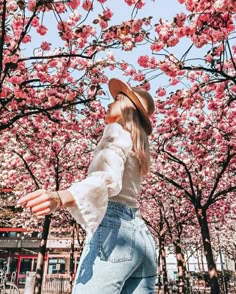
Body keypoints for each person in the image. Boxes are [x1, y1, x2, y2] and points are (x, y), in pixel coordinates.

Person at [17, 78, 157, 293]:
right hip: (142, 239)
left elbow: (106, 178)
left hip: (115, 233)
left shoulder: (116, 131)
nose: (108, 105)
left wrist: (59, 197)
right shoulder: (138, 146)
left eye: (116, 100)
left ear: (126, 107)